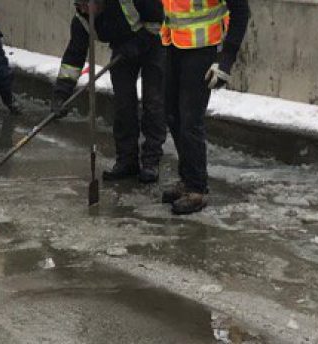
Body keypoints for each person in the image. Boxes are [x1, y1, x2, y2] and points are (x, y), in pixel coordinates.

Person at [53, 0, 166, 184]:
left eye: (84, 5)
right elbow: (74, 56)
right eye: (78, 6)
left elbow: (156, 19)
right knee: (123, 106)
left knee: (153, 103)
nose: (81, 9)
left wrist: (137, 44)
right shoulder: (83, 18)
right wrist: (60, 94)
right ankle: (127, 161)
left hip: (152, 42)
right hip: (122, 49)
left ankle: (151, 161)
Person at [159, 0, 249, 215]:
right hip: (172, 45)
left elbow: (241, 12)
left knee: (191, 120)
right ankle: (187, 178)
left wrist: (225, 59)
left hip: (203, 50)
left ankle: (197, 188)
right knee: (173, 116)